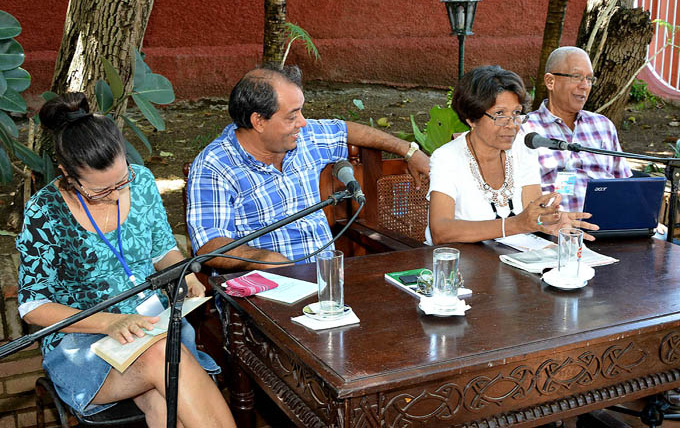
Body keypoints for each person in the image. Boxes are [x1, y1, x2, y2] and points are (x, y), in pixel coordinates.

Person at [16, 93, 235, 428]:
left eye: (121, 182)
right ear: (66, 173)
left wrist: (183, 274)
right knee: (163, 356)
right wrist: (108, 322)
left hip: (150, 326)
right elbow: (33, 307)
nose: (117, 194)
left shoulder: (143, 181)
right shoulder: (45, 212)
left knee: (163, 402)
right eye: (101, 191)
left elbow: (163, 251)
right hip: (86, 342)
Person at [186, 65, 430, 271]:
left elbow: (346, 130)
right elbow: (209, 244)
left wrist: (408, 151)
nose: (303, 122)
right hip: (265, 290)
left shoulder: (305, 136)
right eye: (292, 116)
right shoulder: (214, 165)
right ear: (258, 121)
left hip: (326, 280)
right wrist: (263, 259)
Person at [426, 65, 598, 244]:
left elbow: (531, 215)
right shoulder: (446, 158)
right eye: (499, 114)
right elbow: (440, 231)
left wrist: (550, 220)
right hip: (460, 262)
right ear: (471, 118)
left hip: (513, 259)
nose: (512, 124)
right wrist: (515, 225)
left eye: (516, 113)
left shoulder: (523, 148)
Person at [522, 46, 632, 212]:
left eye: (589, 79)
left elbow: (626, 185)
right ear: (550, 81)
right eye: (576, 77)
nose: (585, 86)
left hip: (608, 220)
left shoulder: (603, 125)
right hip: (555, 226)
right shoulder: (525, 130)